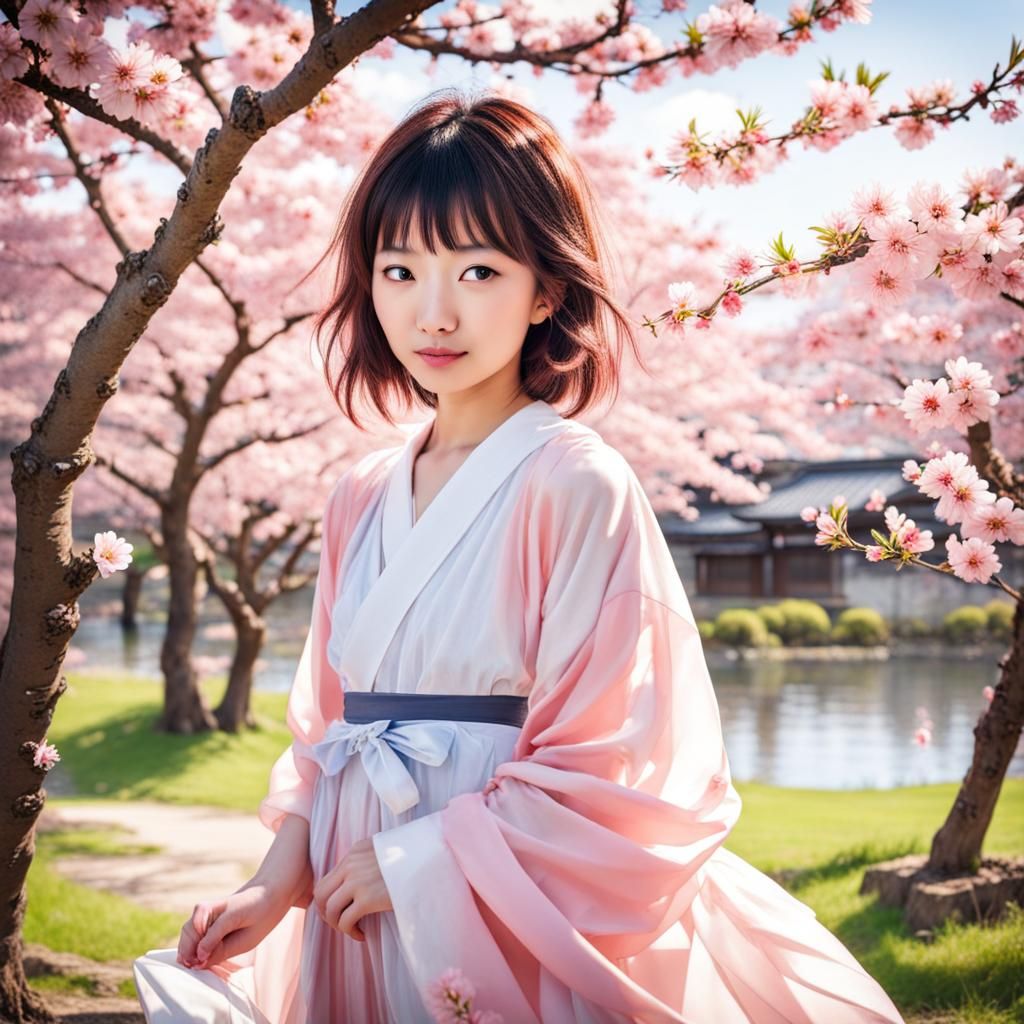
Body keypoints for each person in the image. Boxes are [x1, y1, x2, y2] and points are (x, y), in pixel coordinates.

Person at [133, 88, 905, 1024]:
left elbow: (615, 757)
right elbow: (324, 733)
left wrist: (421, 864)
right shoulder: (359, 495)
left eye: (480, 271)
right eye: (401, 271)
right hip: (352, 879)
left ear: (546, 287)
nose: (436, 313)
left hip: (497, 895)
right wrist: (273, 881)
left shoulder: (576, 482)